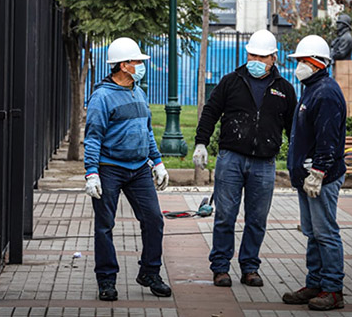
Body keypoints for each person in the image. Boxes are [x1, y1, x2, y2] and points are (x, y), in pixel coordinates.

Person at [192, 30, 297, 288]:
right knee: (225, 215)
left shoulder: (284, 89)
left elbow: (293, 126)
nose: (256, 60)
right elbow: (210, 112)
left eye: (262, 56)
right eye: (252, 55)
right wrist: (201, 142)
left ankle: (250, 267)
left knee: (257, 218)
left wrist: (299, 156)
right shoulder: (231, 82)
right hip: (231, 159)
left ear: (274, 58)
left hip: (264, 163)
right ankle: (220, 268)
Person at [83, 37, 172, 302]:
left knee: (154, 220)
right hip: (109, 168)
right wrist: (91, 172)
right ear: (124, 65)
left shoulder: (138, 91)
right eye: (137, 61)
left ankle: (150, 272)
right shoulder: (102, 97)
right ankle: (107, 281)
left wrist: (157, 162)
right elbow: (93, 136)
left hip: (139, 170)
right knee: (105, 225)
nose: (141, 65)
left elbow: (147, 131)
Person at [283, 35, 347, 311]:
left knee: (325, 232)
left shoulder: (326, 93)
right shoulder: (312, 89)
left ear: (315, 63)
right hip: (308, 177)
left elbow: (328, 139)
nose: (297, 66)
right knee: (313, 232)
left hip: (320, 177)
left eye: (300, 61)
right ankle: (315, 283)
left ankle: (332, 289)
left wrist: (318, 171)